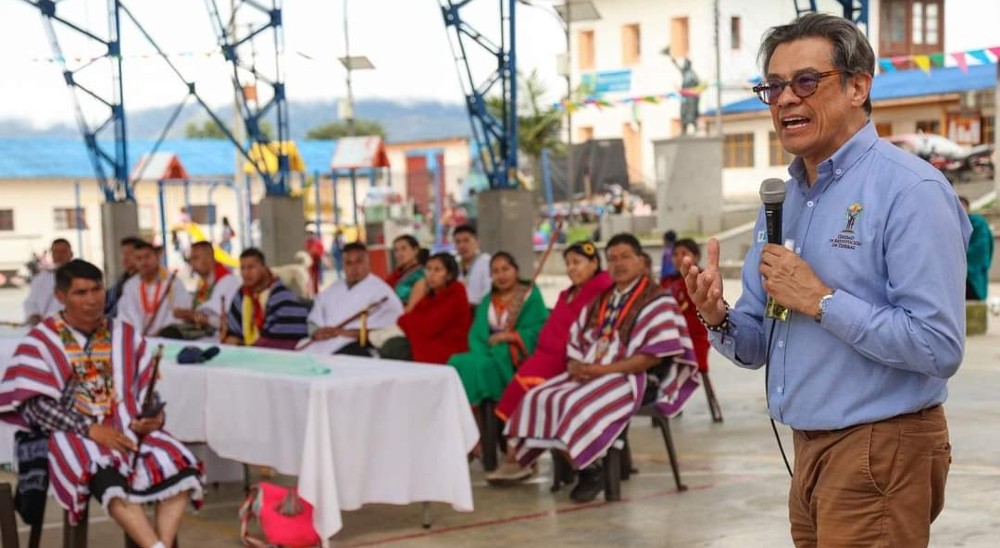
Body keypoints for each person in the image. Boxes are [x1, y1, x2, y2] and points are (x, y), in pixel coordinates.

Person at [684, 14, 970, 546]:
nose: (785, 99)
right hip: (809, 448)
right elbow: (755, 346)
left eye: (806, 82)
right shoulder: (783, 199)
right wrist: (717, 315)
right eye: (772, 86)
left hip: (882, 446)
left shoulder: (910, 191)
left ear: (859, 86)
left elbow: (938, 346)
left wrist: (822, 300)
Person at [0, 259, 203, 546]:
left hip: (130, 428)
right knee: (106, 476)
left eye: (97, 290)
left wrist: (152, 415)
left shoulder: (125, 334)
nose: (92, 300)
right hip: (74, 435)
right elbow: (35, 406)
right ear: (61, 296)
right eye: (80, 293)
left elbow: (146, 387)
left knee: (178, 463)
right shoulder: (41, 341)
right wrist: (89, 429)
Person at [504, 233, 700, 502]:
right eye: (613, 259)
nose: (618, 263)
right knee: (540, 397)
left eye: (625, 257)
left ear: (643, 262)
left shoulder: (659, 300)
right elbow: (576, 337)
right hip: (594, 373)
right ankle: (583, 463)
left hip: (637, 379)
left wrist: (599, 371)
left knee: (575, 403)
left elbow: (651, 358)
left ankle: (589, 468)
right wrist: (577, 364)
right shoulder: (602, 299)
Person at [487, 241, 613, 483]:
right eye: (568, 264)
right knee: (515, 388)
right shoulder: (568, 293)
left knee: (525, 393)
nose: (571, 269)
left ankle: (518, 459)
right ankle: (519, 458)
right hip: (543, 357)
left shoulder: (601, 290)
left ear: (594, 263)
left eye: (577, 263)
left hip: (567, 361)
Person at [447, 252, 548, 408]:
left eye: (505, 269)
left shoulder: (529, 294)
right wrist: (485, 348)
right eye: (495, 271)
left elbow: (540, 328)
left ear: (516, 271)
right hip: (488, 349)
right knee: (457, 361)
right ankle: (468, 413)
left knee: (482, 365)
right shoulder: (488, 299)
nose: (501, 275)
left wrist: (510, 337)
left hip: (514, 353)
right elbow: (477, 333)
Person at [305, 242, 403, 356]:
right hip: (323, 342)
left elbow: (389, 331)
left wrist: (345, 333)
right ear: (343, 265)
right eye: (348, 263)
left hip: (360, 347)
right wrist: (317, 332)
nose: (354, 268)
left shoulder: (382, 292)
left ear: (368, 262)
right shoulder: (332, 290)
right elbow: (314, 320)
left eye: (359, 261)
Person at [382, 252, 473, 363]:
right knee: (391, 345)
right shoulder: (431, 294)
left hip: (448, 346)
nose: (431, 274)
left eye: (437, 270)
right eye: (428, 269)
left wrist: (411, 321)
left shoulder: (458, 290)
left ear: (449, 275)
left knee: (394, 348)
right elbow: (409, 318)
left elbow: (430, 325)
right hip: (427, 341)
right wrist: (412, 321)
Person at [224, 248, 310, 349]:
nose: (246, 273)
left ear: (264, 268)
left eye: (251, 267)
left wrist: (243, 345)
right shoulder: (241, 295)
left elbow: (280, 340)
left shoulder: (282, 296)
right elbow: (233, 332)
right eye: (242, 268)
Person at [117, 241, 192, 337]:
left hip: (167, 338)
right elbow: (126, 315)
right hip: (139, 340)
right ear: (135, 262)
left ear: (157, 257)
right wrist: (138, 335)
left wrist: (162, 332)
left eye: (147, 257)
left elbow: (181, 311)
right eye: (139, 258)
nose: (144, 262)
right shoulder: (130, 285)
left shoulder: (173, 282)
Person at [169, 241, 241, 338]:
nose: (192, 263)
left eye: (195, 258)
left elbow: (221, 322)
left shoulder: (228, 281)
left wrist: (188, 315)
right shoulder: (204, 283)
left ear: (210, 257)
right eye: (191, 259)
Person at [663, 239, 710, 374]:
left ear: (695, 256)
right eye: (675, 254)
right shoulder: (667, 282)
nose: (679, 258)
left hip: (694, 335)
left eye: (684, 253)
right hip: (669, 333)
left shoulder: (703, 279)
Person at [24, 238, 73, 325]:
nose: (59, 255)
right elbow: (30, 303)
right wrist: (33, 315)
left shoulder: (80, 277)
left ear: (71, 254)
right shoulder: (40, 279)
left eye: (63, 252)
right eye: (55, 252)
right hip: (47, 326)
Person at [960, 196, 994, 301]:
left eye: (962, 206)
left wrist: (959, 256)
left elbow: (982, 248)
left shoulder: (978, 223)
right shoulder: (953, 223)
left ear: (968, 207)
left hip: (973, 273)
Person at [453, 224, 491, 307]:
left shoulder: (486, 262)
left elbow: (489, 293)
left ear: (477, 242)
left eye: (466, 241)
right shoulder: (454, 265)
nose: (462, 246)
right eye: (458, 242)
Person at [105, 236, 144, 318]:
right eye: (123, 253)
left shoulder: (143, 282)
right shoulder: (123, 279)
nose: (125, 257)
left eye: (130, 253)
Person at [385, 235, 426, 309]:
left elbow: (413, 308)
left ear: (415, 250)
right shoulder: (396, 274)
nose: (399, 254)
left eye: (404, 248)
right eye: (396, 250)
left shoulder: (421, 274)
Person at [305, 227, 325, 295]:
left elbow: (320, 252)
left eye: (310, 234)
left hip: (314, 264)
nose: (309, 236)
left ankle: (315, 293)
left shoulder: (316, 242)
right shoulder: (307, 242)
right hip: (307, 265)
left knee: (314, 280)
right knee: (308, 280)